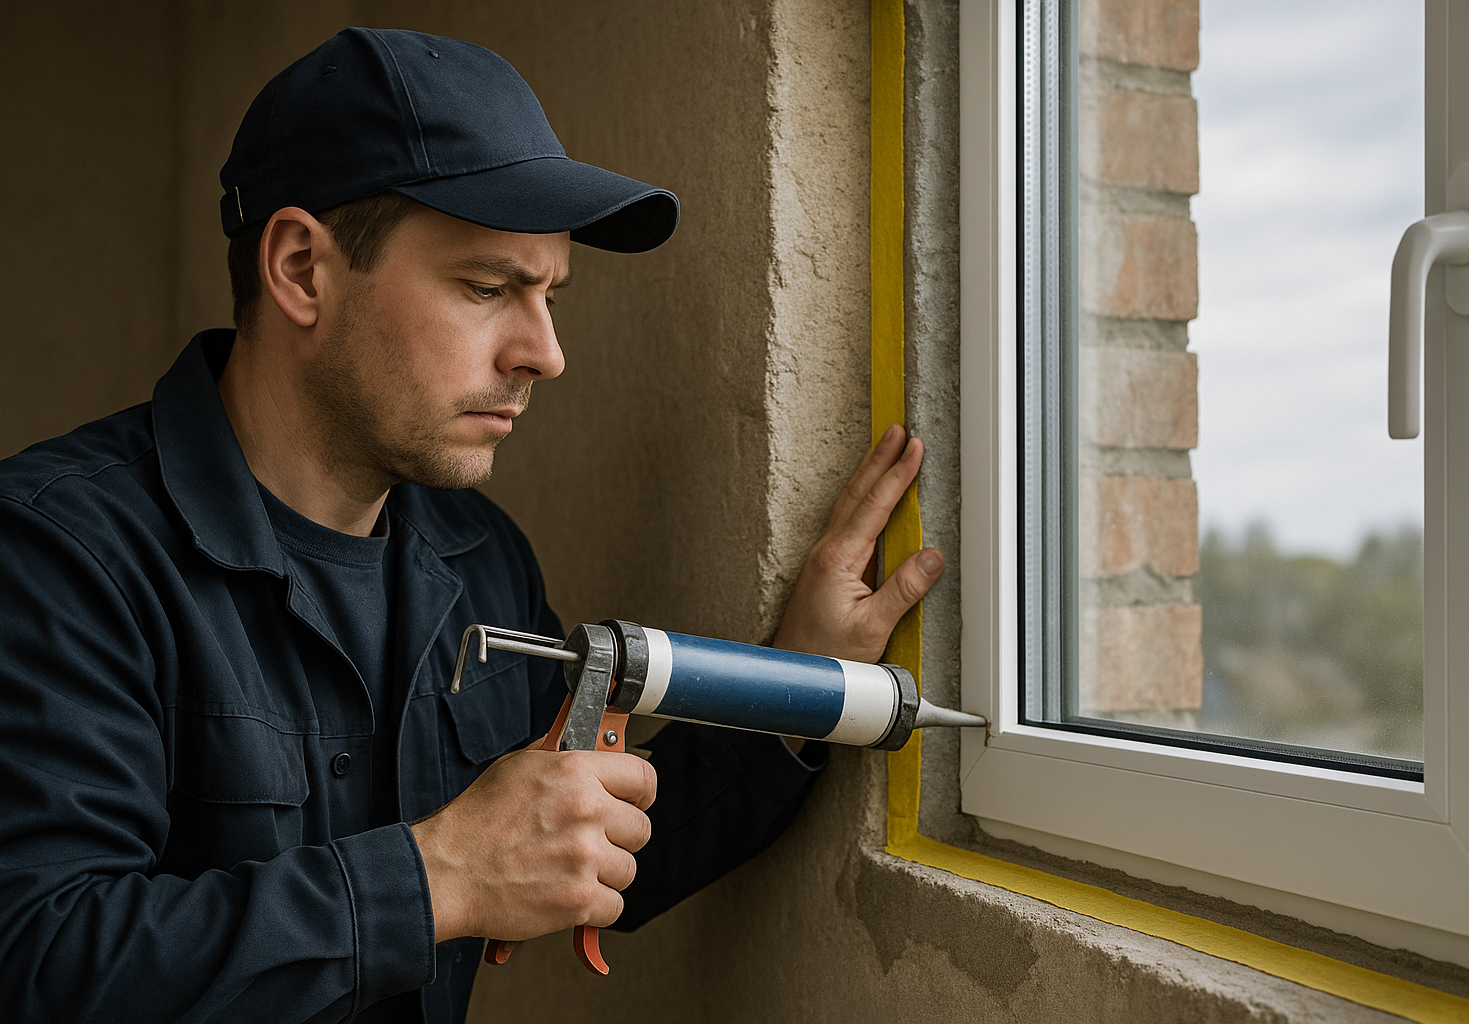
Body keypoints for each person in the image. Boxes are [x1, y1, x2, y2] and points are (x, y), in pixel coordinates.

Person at [0, 27, 944, 1024]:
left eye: (550, 295)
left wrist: (804, 679)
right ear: (301, 269)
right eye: (488, 288)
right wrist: (438, 875)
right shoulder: (59, 557)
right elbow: (39, 958)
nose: (545, 352)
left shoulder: (480, 557)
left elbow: (579, 839)